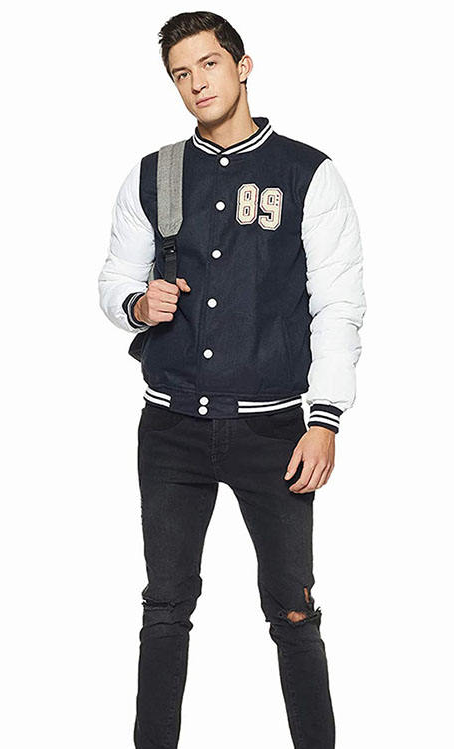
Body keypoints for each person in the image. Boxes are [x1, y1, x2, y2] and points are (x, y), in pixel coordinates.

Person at [98, 11, 366, 749]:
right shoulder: (155, 174)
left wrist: (325, 418)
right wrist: (137, 304)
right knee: (165, 606)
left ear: (243, 67)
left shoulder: (308, 174)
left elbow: (338, 304)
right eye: (181, 74)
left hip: (274, 428)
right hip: (171, 426)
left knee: (294, 609)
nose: (197, 84)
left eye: (209, 65)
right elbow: (115, 278)